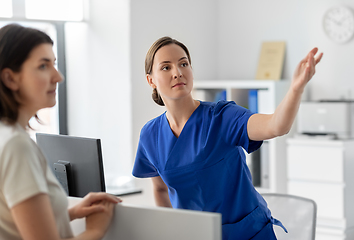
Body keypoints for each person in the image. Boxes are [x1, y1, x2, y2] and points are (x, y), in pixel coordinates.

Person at [132, 36, 323, 240]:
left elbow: (276, 125)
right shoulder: (150, 135)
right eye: (165, 67)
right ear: (150, 80)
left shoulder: (222, 117)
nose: (177, 72)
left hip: (249, 234)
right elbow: (160, 189)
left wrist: (296, 88)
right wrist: (173, 230)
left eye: (183, 63)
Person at [0, 24, 121, 240]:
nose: (58, 77)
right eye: (43, 66)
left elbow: (14, 222)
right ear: (10, 78)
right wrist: (95, 231)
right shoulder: (15, 146)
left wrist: (71, 213)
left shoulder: (5, 136)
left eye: (54, 64)